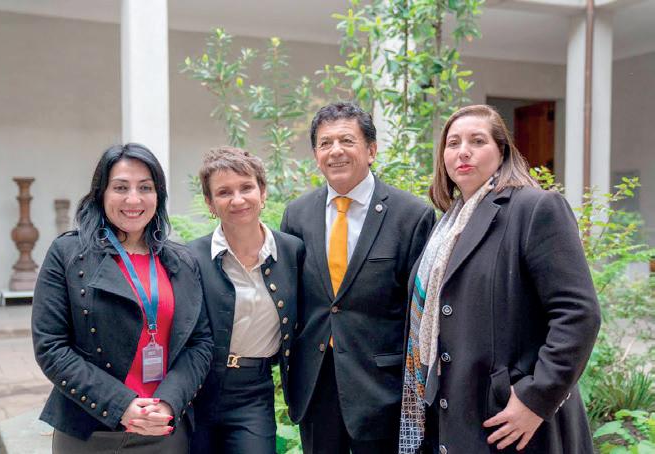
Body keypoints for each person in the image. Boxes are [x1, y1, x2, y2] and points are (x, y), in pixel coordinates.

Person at [398, 105, 601, 453]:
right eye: (453, 143)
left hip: (513, 419)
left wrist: (536, 398)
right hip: (455, 413)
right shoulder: (446, 225)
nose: (463, 151)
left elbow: (578, 314)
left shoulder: (535, 208)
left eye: (477, 141)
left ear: (502, 151)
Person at [32, 143, 213, 453]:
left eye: (145, 187)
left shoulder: (181, 261)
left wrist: (168, 402)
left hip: (165, 430)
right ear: (101, 193)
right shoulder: (68, 254)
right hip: (90, 430)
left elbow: (200, 343)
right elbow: (51, 345)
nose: (133, 199)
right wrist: (121, 405)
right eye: (120, 187)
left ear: (158, 195)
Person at [281, 101, 436, 453]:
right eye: (325, 143)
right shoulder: (297, 214)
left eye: (347, 141)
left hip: (381, 386)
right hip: (315, 384)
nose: (335, 151)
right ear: (316, 155)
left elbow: (420, 312)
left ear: (371, 150)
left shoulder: (411, 216)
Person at [187, 147, 304, 453]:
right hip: (195, 390)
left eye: (246, 188)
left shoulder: (292, 251)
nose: (237, 200)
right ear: (210, 203)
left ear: (262, 193)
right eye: (224, 192)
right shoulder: (189, 257)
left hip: (253, 392)